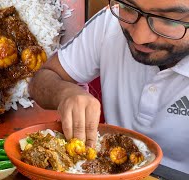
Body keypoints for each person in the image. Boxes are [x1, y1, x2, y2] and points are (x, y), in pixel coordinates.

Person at [29, 0, 189, 174]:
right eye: (129, 7)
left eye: (168, 19)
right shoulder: (109, 23)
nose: (139, 37)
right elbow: (43, 79)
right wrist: (64, 93)